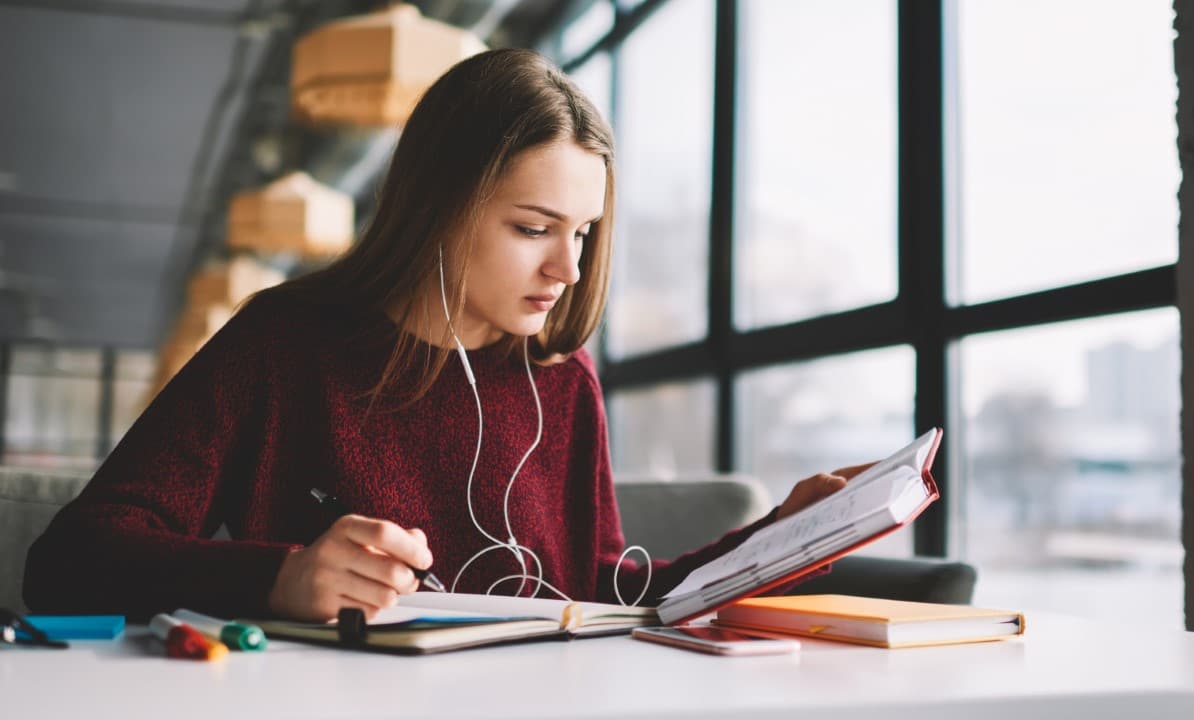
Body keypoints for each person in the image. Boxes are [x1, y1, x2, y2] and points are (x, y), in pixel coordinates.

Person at [23, 49, 865, 622]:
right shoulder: (284, 344)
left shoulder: (563, 385)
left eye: (582, 234)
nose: (567, 271)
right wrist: (280, 579)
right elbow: (69, 562)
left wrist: (782, 535)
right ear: (440, 205)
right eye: (534, 228)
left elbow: (603, 591)